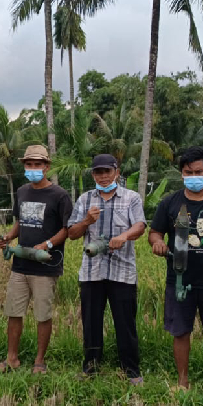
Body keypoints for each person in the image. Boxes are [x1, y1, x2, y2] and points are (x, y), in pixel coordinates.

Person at [149, 146, 203, 406]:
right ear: (182, 174)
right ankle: (182, 382)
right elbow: (155, 233)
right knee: (181, 332)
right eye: (188, 172)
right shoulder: (170, 202)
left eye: (199, 172)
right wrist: (157, 243)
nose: (193, 176)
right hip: (179, 280)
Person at [0, 145, 73, 375]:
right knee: (14, 312)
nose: (33, 168)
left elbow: (68, 229)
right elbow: (20, 222)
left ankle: (39, 361)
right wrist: (8, 236)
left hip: (45, 266)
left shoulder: (60, 195)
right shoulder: (22, 191)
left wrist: (47, 244)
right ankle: (12, 358)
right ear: (24, 166)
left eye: (38, 164)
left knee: (42, 315)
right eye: (29, 164)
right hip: (20, 266)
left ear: (47, 166)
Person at [67, 154, 147, 385]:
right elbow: (72, 233)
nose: (103, 177)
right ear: (93, 175)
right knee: (91, 322)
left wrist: (123, 236)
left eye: (107, 172)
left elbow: (140, 226)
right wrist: (86, 222)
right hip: (92, 272)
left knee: (125, 322)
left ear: (116, 172)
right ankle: (91, 366)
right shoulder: (85, 200)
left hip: (123, 271)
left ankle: (131, 369)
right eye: (98, 172)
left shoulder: (131, 198)